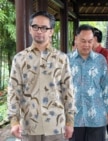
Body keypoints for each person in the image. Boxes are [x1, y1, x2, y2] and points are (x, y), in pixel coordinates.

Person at [7, 11, 75, 141]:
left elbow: (68, 91)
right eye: (35, 27)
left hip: (56, 124)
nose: (39, 31)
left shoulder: (61, 58)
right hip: (29, 126)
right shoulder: (20, 59)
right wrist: (14, 121)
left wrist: (70, 122)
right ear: (30, 29)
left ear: (51, 31)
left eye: (44, 28)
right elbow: (14, 91)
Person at [68, 24, 108, 141]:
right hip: (73, 119)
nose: (86, 45)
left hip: (97, 117)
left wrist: (107, 111)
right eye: (83, 41)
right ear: (76, 39)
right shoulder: (66, 60)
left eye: (89, 41)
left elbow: (106, 88)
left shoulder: (100, 60)